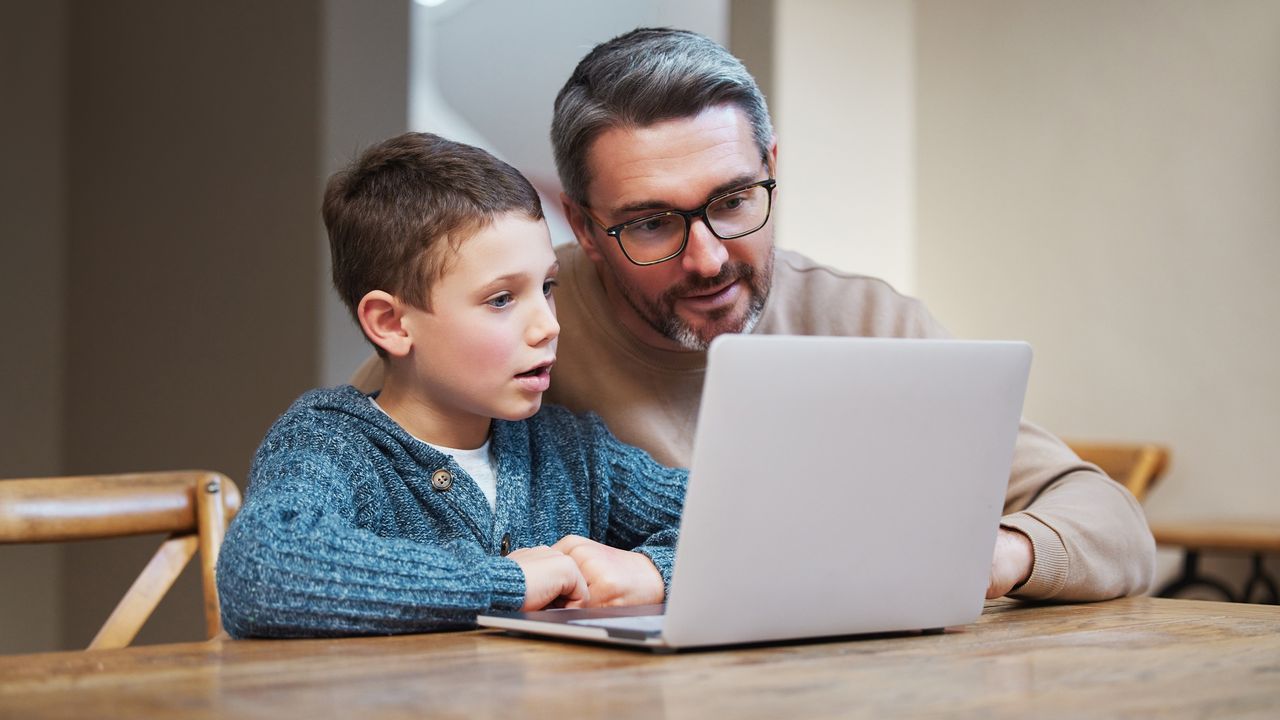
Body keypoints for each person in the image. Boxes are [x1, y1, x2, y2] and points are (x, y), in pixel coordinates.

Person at [359, 27, 1155, 603]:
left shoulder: (868, 322)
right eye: (650, 223)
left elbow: (1113, 526)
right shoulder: (512, 327)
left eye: (734, 201)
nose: (706, 259)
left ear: (771, 170)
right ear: (585, 225)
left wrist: (999, 553)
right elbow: (357, 479)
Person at [216, 132, 687, 638]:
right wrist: (507, 584)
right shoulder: (332, 445)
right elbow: (262, 570)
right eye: (502, 299)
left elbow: (743, 522)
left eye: (547, 287)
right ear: (392, 324)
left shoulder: (570, 450)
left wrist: (655, 573)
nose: (548, 325)